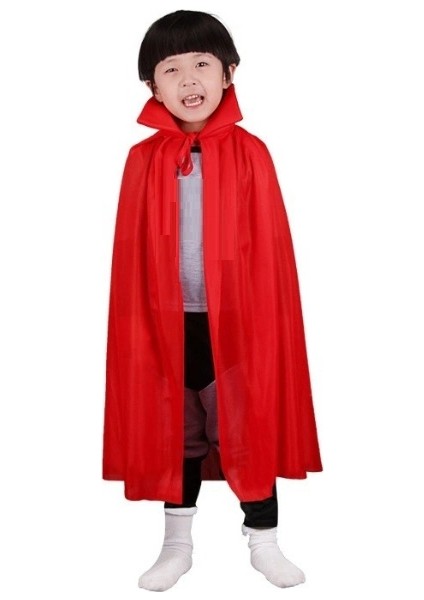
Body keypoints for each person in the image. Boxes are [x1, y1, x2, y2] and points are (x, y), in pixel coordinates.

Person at [103, 9, 322, 592]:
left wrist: (260, 320)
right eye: (170, 69)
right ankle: (176, 545)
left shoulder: (252, 153)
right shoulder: (143, 159)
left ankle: (264, 541)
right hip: (167, 321)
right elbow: (131, 257)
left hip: (241, 323)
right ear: (153, 86)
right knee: (175, 431)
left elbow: (271, 252)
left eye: (202, 64)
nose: (188, 79)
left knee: (248, 424)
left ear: (228, 73)